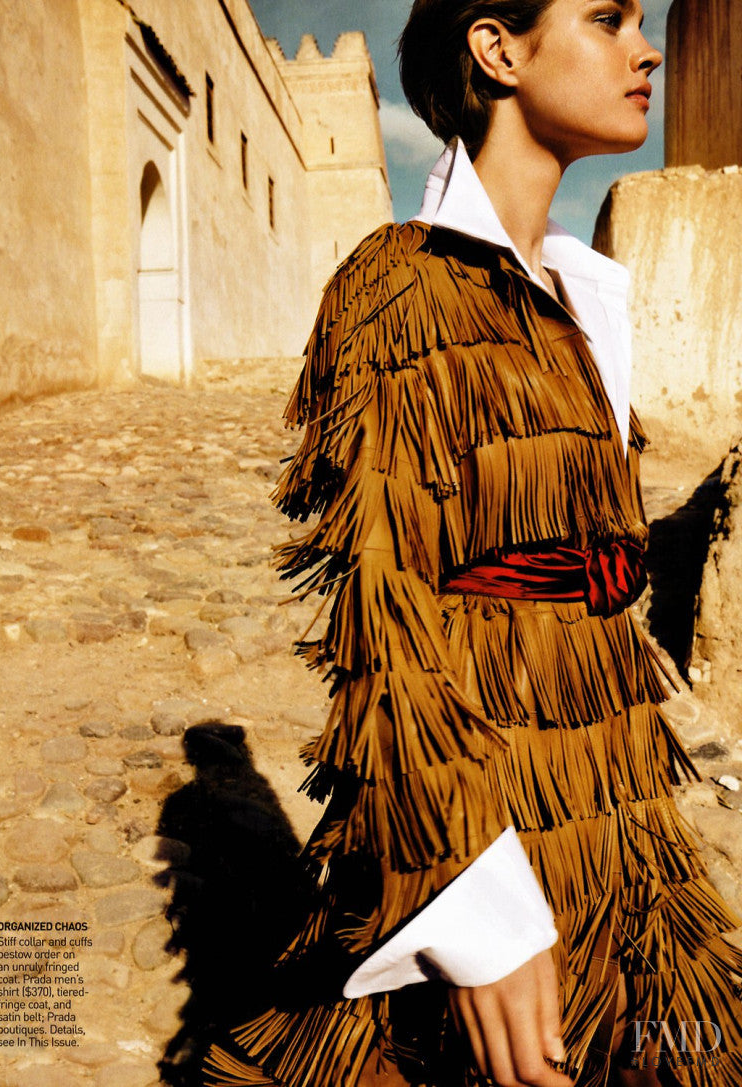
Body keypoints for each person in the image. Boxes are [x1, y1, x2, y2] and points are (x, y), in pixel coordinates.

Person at [204, 1, 742, 1085]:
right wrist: (480, 908)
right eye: (604, 17)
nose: (645, 50)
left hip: (625, 810)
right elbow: (385, 617)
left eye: (642, 19)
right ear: (496, 50)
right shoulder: (398, 283)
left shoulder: (584, 296)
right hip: (490, 820)